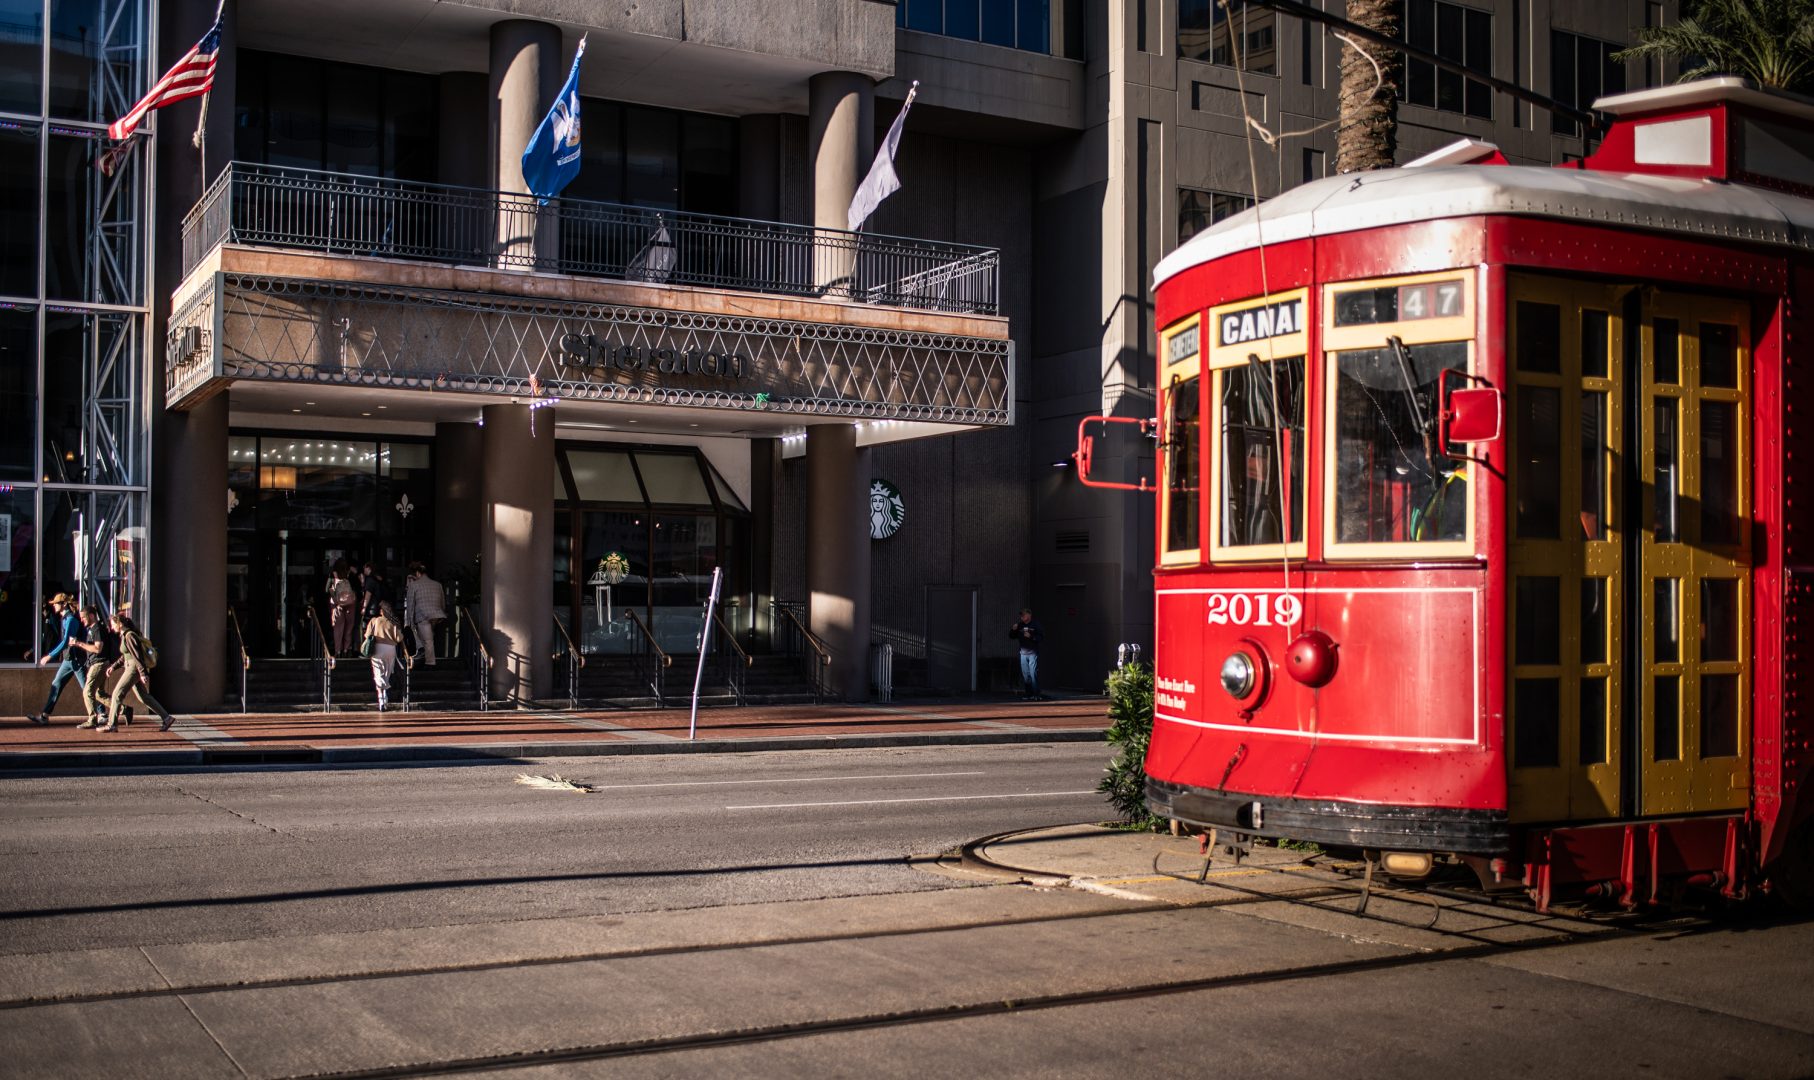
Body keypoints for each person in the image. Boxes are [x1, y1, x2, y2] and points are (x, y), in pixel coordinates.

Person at [100, 613, 174, 732]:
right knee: (143, 697)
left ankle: (112, 724)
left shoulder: (129, 636)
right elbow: (125, 656)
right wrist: (113, 667)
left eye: (113, 624)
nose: (111, 627)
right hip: (131, 667)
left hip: (133, 668)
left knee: (117, 694)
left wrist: (143, 673)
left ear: (120, 624)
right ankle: (167, 718)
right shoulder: (125, 636)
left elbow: (137, 656)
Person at [26, 593, 84, 725]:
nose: (54, 606)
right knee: (56, 684)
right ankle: (45, 715)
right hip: (68, 660)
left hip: (76, 659)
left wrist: (49, 656)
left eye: (56, 604)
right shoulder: (64, 619)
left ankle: (106, 712)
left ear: (64, 604)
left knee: (87, 689)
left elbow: (66, 642)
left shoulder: (71, 620)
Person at [71, 606, 120, 730]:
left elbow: (98, 648)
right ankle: (124, 709)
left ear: (92, 616)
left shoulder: (97, 628)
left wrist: (79, 643)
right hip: (97, 663)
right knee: (99, 693)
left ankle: (92, 719)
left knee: (87, 691)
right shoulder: (93, 629)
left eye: (83, 617)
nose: (82, 620)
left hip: (99, 664)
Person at [364, 601, 407, 711]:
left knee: (378, 672)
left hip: (378, 648)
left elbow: (367, 635)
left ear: (382, 611)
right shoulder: (393, 623)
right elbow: (399, 638)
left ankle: (381, 697)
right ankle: (384, 694)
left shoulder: (375, 621)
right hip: (390, 649)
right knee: (387, 672)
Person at [404, 562, 446, 666]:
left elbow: (410, 605)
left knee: (428, 640)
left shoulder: (413, 585)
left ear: (417, 573)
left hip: (423, 615)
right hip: (437, 615)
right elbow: (442, 602)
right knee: (427, 637)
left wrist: (409, 621)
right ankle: (423, 654)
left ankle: (430, 662)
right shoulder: (437, 584)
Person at [1008, 607, 1044, 701]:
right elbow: (1012, 636)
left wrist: (1031, 636)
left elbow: (1041, 637)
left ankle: (1036, 695)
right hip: (1023, 654)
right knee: (1025, 675)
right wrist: (1013, 629)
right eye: (1021, 615)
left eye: (1023, 615)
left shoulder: (1036, 624)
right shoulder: (1020, 625)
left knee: (1033, 673)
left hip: (1032, 653)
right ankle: (1028, 694)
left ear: (1029, 615)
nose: (1022, 617)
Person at [328, 561, 358, 656]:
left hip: (338, 604)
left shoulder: (332, 577)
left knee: (338, 628)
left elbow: (326, 590)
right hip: (350, 603)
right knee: (349, 627)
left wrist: (335, 600)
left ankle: (338, 651)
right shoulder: (350, 576)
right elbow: (358, 587)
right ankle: (347, 650)